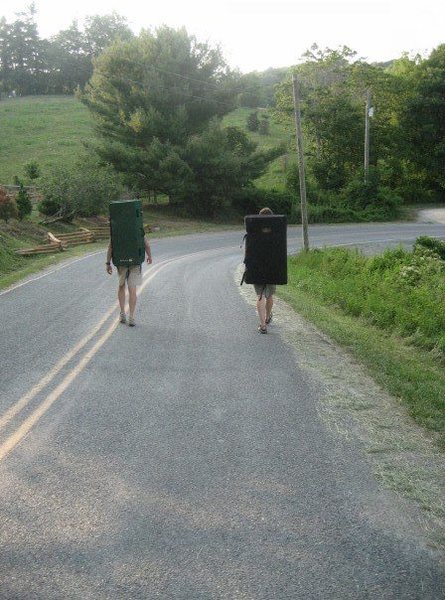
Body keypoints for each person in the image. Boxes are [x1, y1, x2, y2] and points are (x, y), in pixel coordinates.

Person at [106, 236, 152, 327]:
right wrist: (149, 256)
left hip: (121, 261)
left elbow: (110, 247)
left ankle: (122, 314)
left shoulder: (117, 230)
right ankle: (131, 317)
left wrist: (108, 263)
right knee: (132, 289)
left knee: (121, 286)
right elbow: (147, 245)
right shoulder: (137, 229)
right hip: (135, 262)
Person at [254, 207, 275, 334]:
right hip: (273, 267)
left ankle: (262, 325)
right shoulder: (277, 232)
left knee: (260, 295)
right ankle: (267, 317)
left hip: (257, 266)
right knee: (269, 295)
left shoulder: (254, 231)